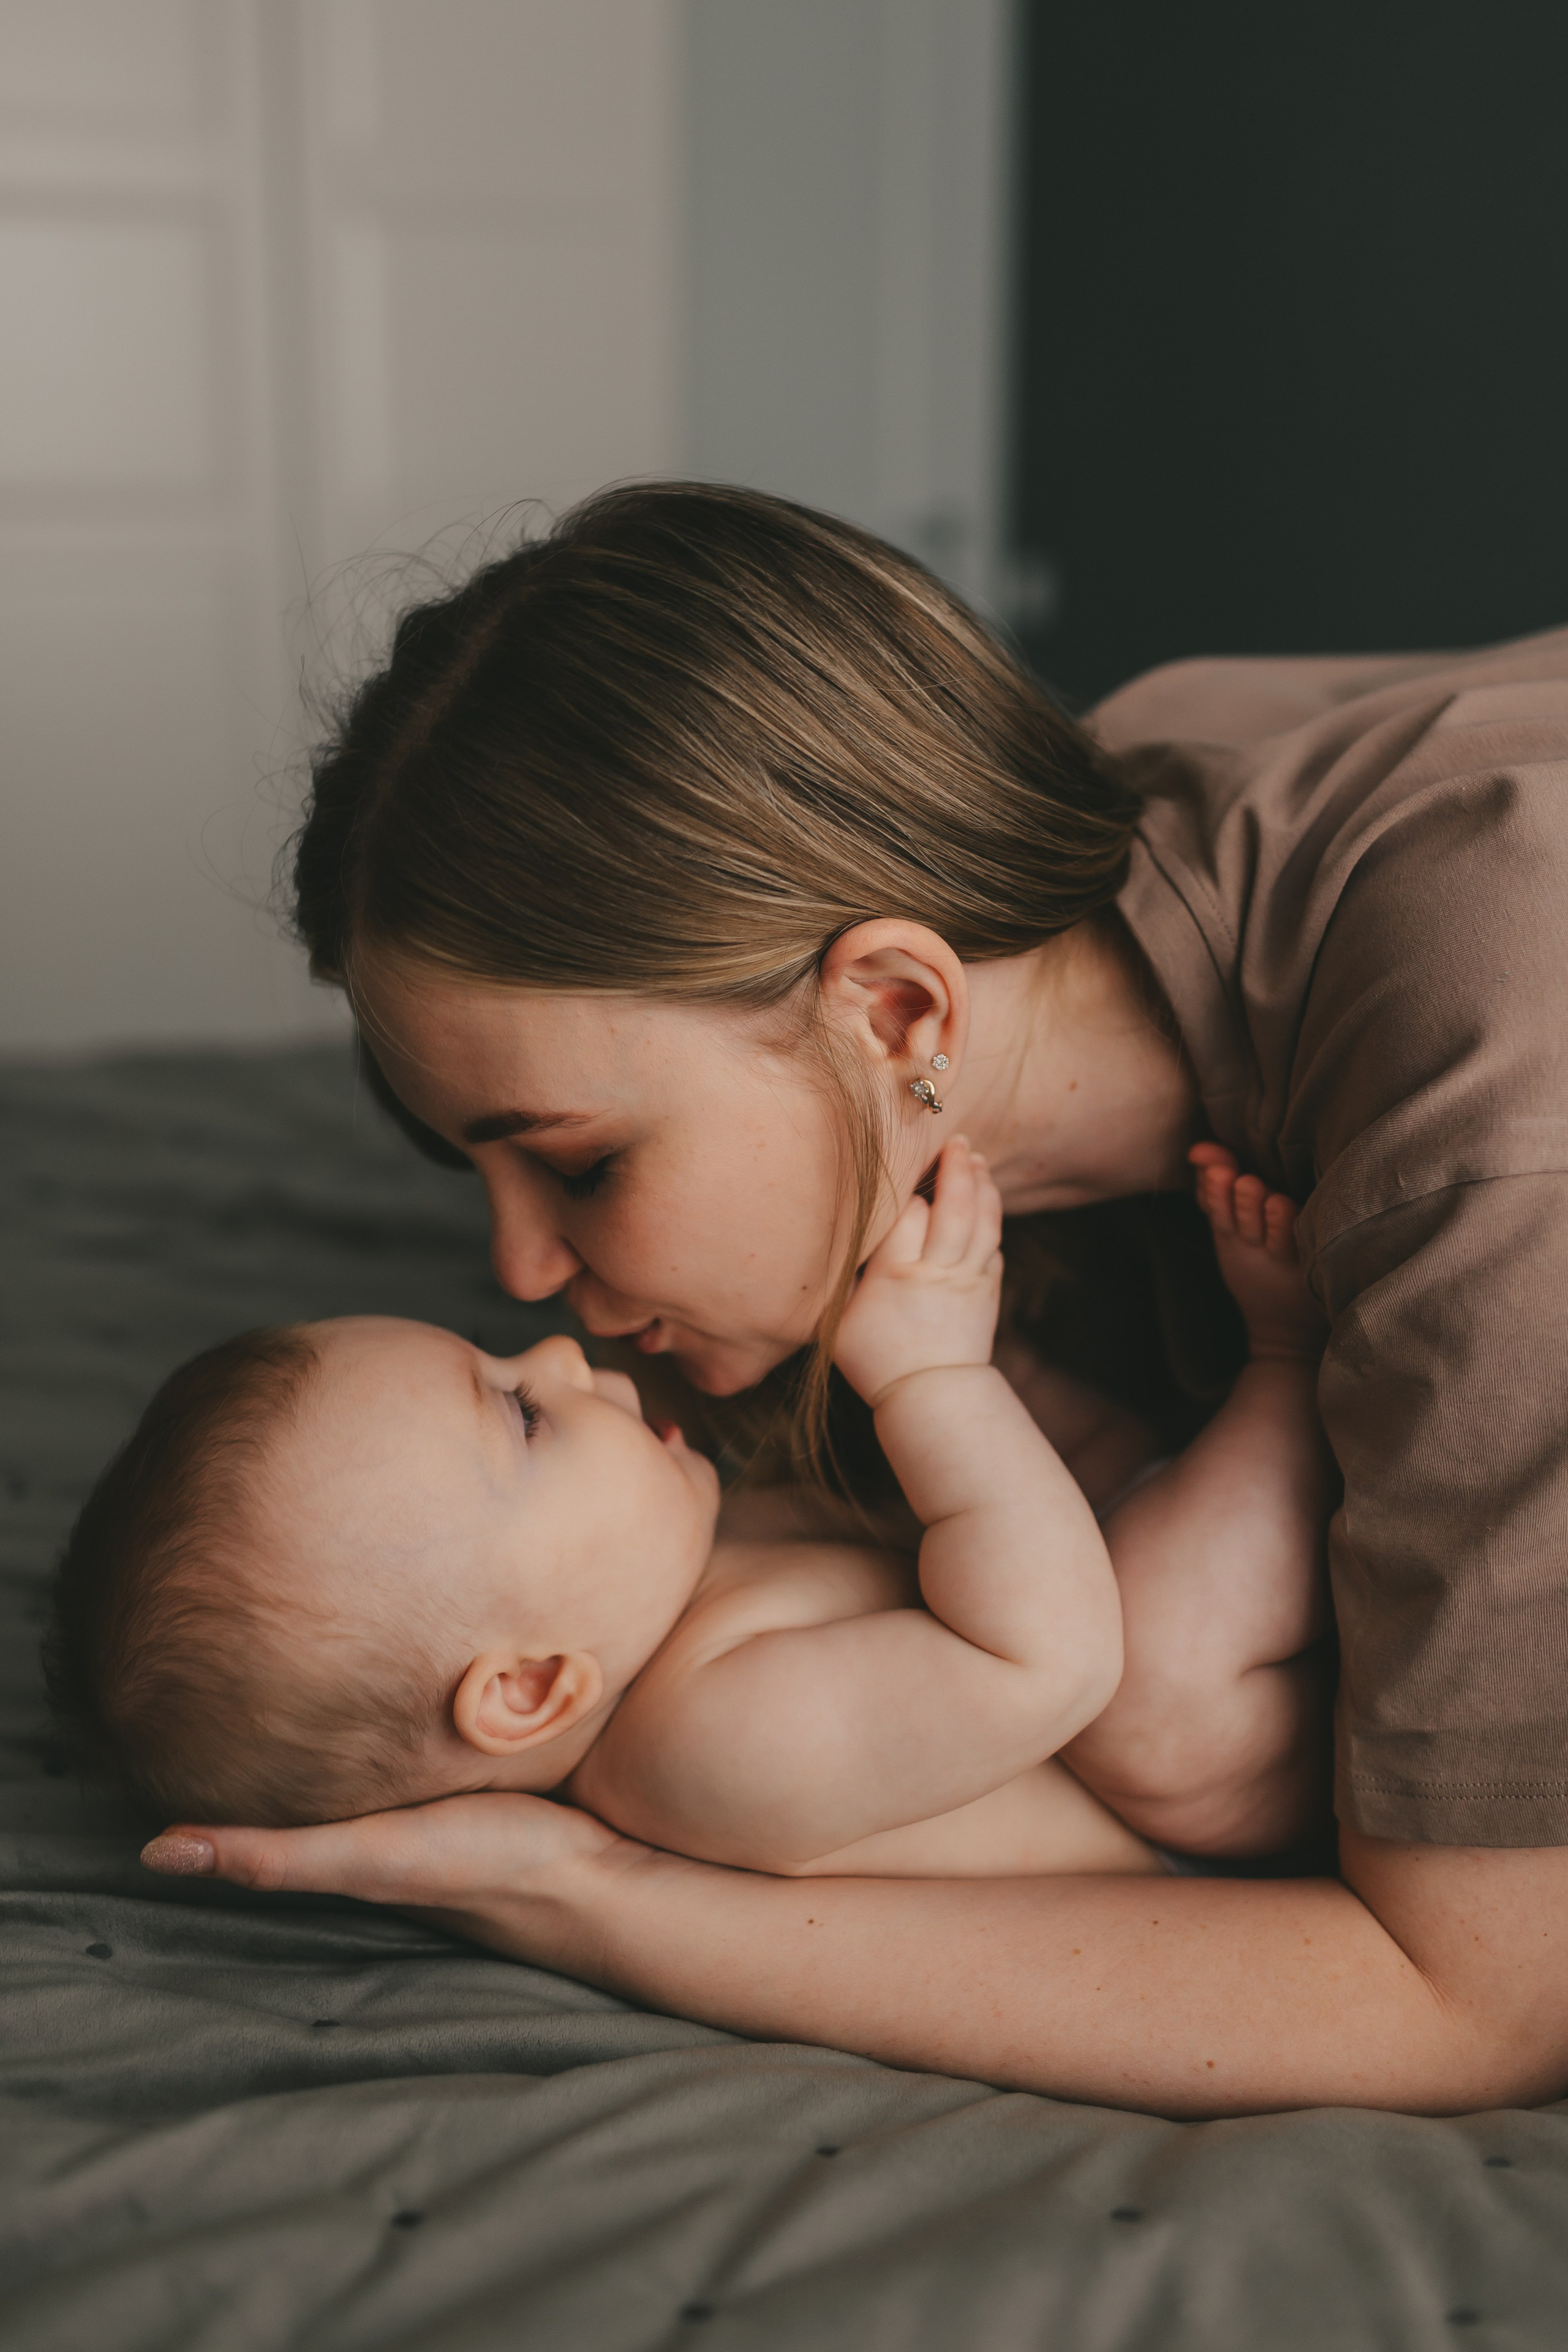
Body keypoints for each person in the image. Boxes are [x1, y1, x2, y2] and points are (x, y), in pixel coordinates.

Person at [141, 483, 1568, 2117]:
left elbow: (1487, 2007)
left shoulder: (1500, 1157)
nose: (522, 1278)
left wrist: (595, 1896)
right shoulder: (1147, 783)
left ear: (897, 1013)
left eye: (583, 1166)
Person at [56, 1144, 1327, 1880]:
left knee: (1011, 1467)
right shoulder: (704, 1747)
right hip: (1202, 1778)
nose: (561, 1358)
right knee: (1145, 1672)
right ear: (529, 1690)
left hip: (1101, 1548)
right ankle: (1292, 1366)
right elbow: (1051, 1655)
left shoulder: (672, 1589)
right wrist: (932, 1375)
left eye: (507, 1358)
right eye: (520, 1413)